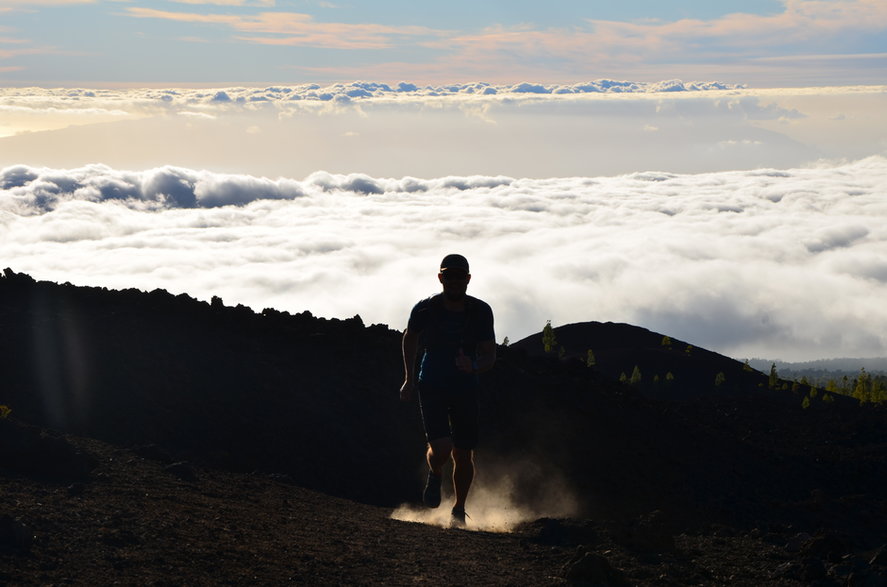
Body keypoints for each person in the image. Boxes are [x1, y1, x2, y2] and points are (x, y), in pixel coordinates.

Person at [399, 254, 496, 526]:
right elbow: (410, 337)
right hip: (432, 384)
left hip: (465, 387)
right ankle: (436, 472)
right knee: (442, 449)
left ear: (467, 279)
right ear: (441, 278)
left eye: (459, 276)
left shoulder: (480, 311)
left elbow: (490, 354)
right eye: (448, 276)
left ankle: (458, 508)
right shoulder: (425, 309)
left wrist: (474, 365)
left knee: (464, 453)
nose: (454, 281)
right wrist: (409, 378)